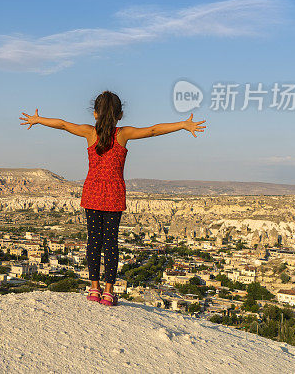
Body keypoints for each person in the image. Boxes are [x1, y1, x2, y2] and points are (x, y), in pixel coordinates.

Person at [19, 90, 206, 306]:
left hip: (92, 192)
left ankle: (93, 288)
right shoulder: (123, 134)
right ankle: (109, 292)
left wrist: (38, 120)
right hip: (115, 193)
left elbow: (62, 124)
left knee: (94, 240)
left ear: (95, 113)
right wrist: (182, 124)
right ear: (120, 114)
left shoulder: (90, 133)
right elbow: (153, 131)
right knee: (110, 242)